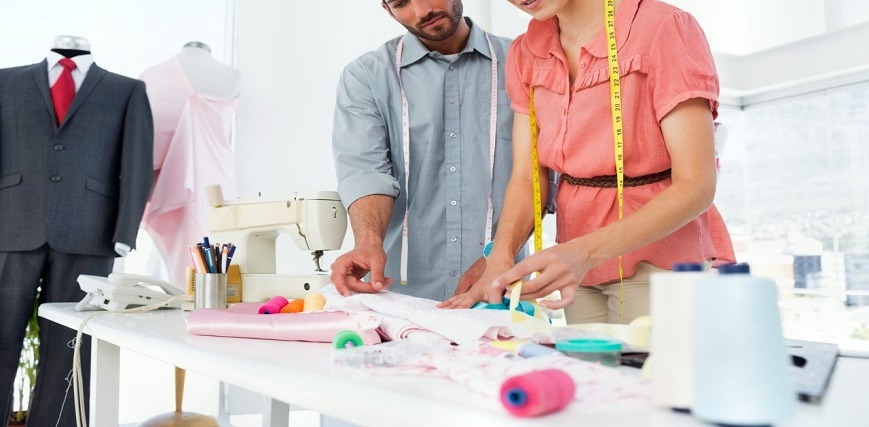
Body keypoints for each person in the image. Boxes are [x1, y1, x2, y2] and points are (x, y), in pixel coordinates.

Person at [440, 0, 735, 324]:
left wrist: (583, 253)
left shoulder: (663, 27)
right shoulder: (526, 52)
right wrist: (500, 257)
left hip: (660, 256)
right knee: (591, 372)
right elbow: (527, 177)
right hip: (574, 257)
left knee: (648, 372)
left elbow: (697, 185)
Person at [0, 35, 153, 425]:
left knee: (71, 345)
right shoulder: (6, 82)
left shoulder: (127, 90)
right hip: (10, 225)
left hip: (91, 231)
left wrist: (124, 232)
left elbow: (136, 163)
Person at [331, 0, 521, 301]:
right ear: (386, 9)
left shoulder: (522, 61)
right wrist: (367, 241)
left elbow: (544, 174)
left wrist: (499, 256)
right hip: (402, 301)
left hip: (505, 292)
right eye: (401, 2)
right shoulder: (365, 77)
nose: (421, 11)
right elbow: (366, 172)